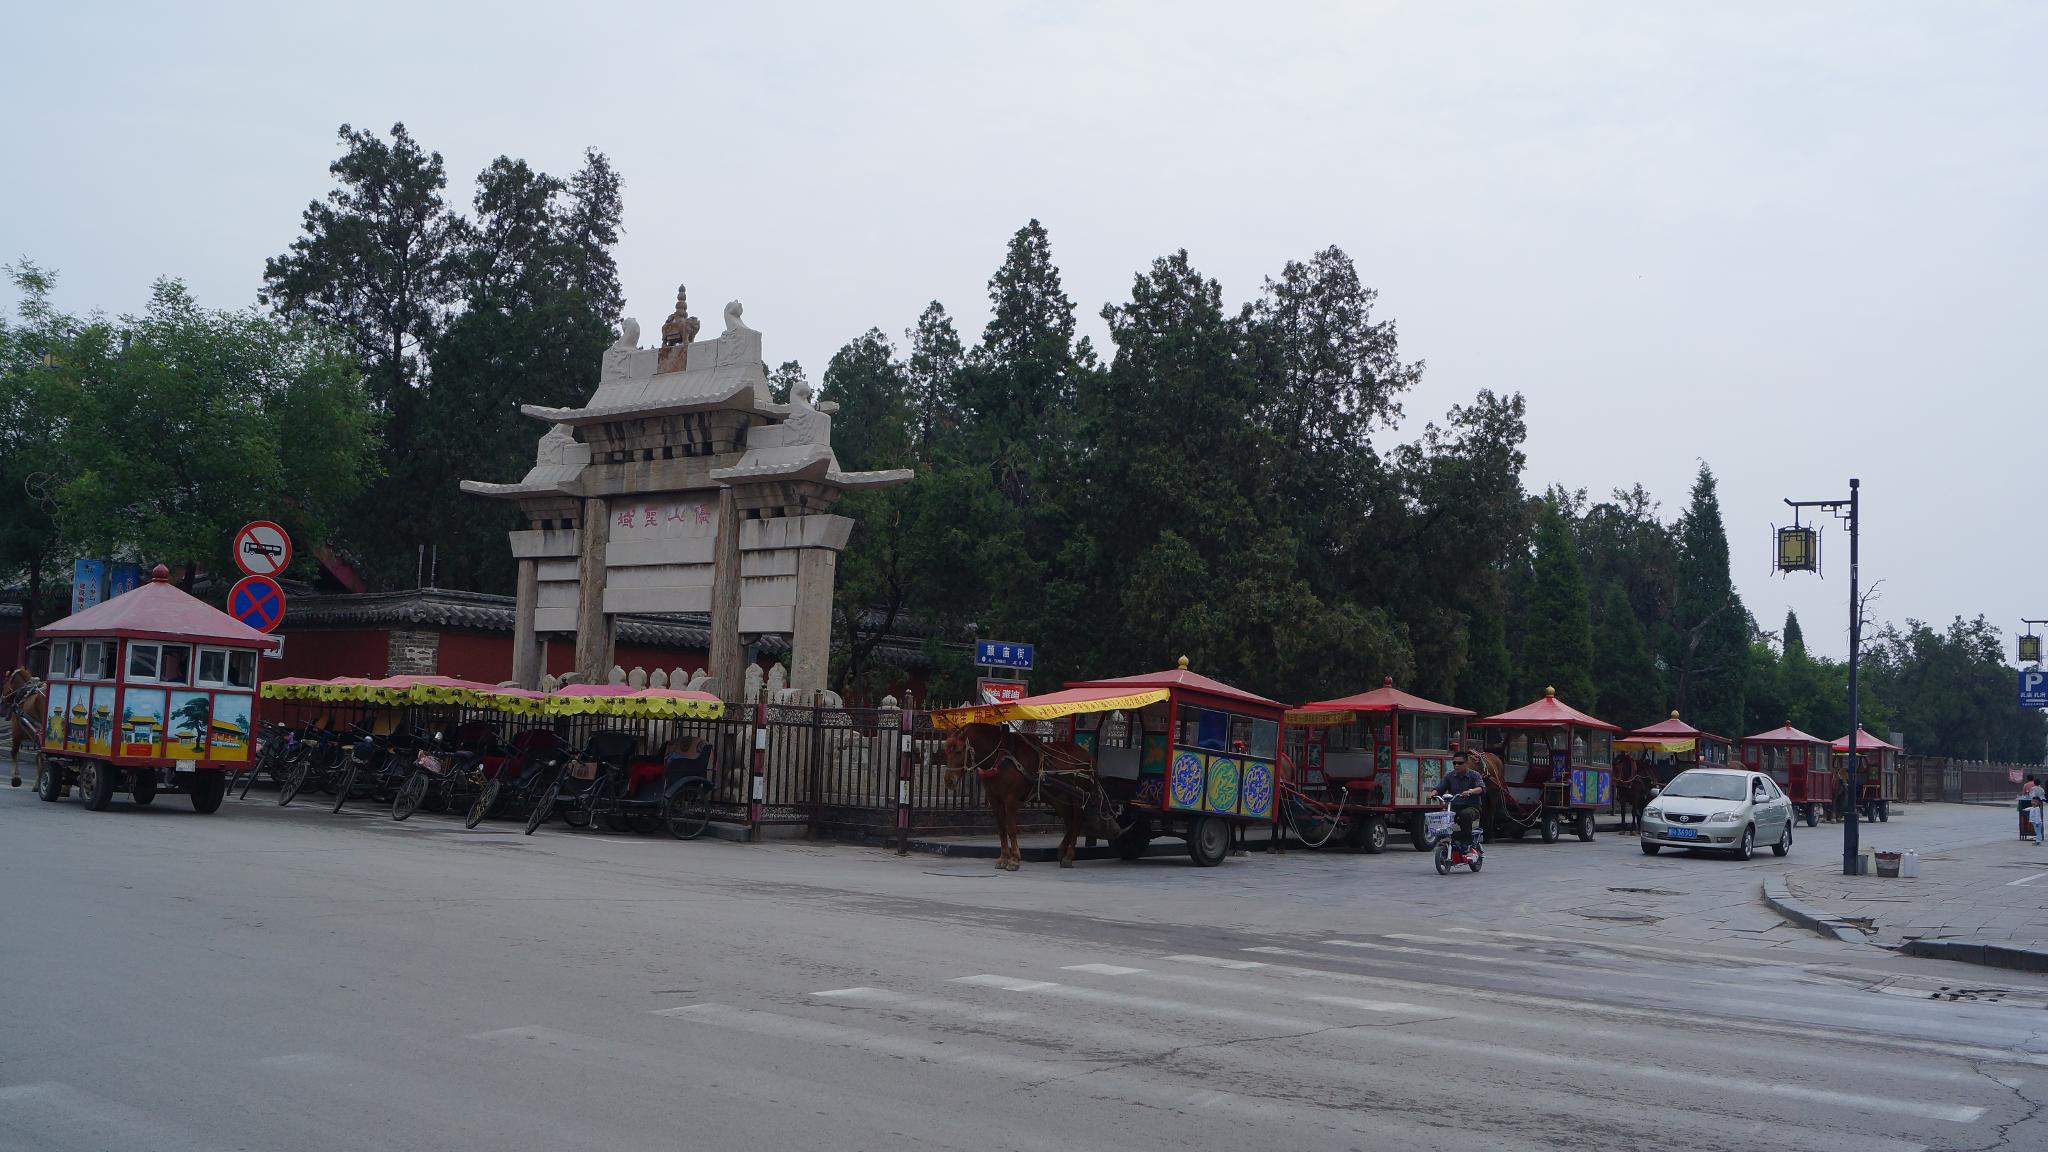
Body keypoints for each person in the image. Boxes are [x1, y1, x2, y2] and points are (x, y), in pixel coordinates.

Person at [1434, 744, 1489, 849]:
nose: (1456, 765)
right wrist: (1434, 792)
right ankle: (1447, 839)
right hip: (1454, 806)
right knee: (1443, 816)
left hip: (1472, 806)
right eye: (1454, 763)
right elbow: (1440, 788)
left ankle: (1466, 842)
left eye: (1460, 763)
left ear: (1466, 763)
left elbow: (1481, 788)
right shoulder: (1449, 776)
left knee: (1465, 814)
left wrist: (1471, 791)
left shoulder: (1475, 775)